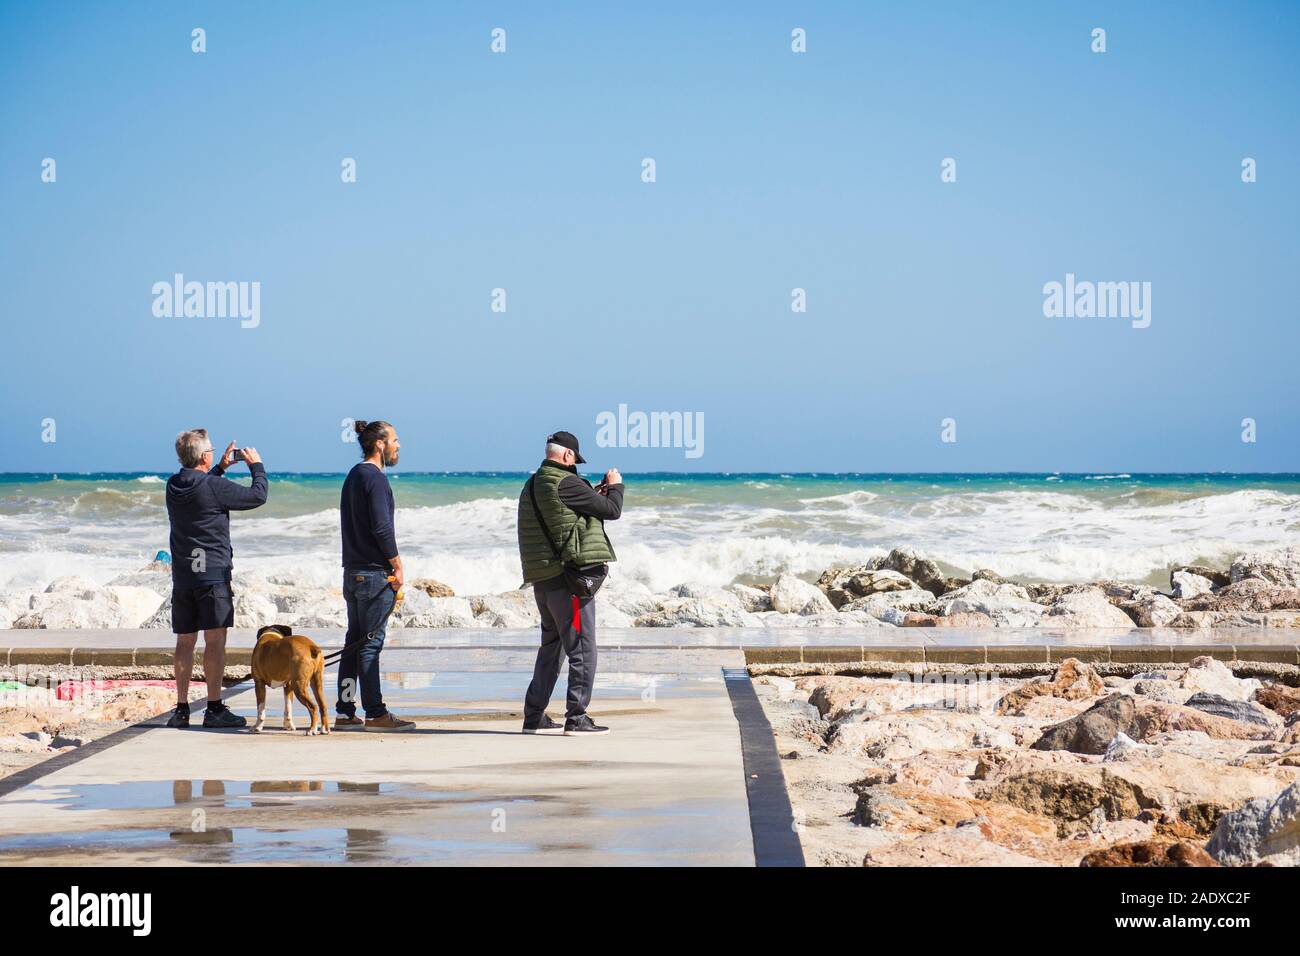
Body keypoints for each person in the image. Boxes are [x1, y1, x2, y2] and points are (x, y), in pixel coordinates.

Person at [517, 430, 623, 736]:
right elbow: (612, 511)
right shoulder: (567, 482)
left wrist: (594, 493)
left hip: (544, 580)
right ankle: (576, 717)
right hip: (569, 583)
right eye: (575, 458)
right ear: (567, 456)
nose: (575, 464)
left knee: (552, 648)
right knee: (582, 646)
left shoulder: (533, 484)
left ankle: (534, 715)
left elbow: (565, 514)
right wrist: (616, 487)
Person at [164, 429, 268, 728]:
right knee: (215, 641)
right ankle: (213, 708)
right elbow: (257, 496)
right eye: (210, 451)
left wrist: (220, 467)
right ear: (204, 456)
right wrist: (256, 466)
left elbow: (203, 487)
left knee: (185, 641)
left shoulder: (173, 485)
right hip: (212, 575)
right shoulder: (212, 486)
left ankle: (181, 710)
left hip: (184, 575)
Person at [336, 419, 414, 732]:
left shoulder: (354, 476)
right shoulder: (376, 479)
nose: (398, 445)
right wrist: (396, 564)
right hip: (373, 575)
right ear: (379, 444)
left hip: (352, 572)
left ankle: (345, 711)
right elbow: (382, 527)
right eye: (394, 440)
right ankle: (376, 712)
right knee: (369, 643)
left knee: (353, 643)